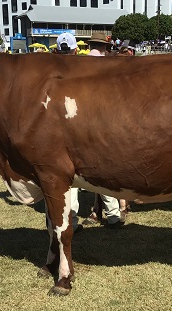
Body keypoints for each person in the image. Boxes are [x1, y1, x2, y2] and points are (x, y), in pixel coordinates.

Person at [81, 32, 124, 228]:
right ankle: (114, 213)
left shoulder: (82, 63)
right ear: (105, 47)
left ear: (90, 45)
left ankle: (102, 211)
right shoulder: (107, 64)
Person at [52, 32, 83, 233]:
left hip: (62, 126)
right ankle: (113, 212)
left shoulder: (51, 71)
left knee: (66, 175)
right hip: (84, 125)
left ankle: (69, 218)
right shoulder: (84, 68)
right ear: (75, 49)